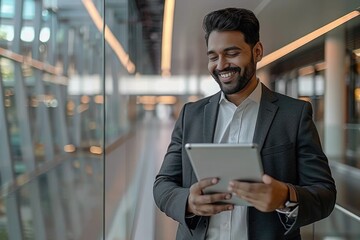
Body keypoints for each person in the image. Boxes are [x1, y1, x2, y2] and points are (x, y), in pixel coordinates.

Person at [153, 7, 336, 240]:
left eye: (231, 53)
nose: (220, 65)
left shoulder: (294, 114)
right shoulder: (191, 115)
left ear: (257, 51)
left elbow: (325, 194)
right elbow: (163, 185)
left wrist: (286, 197)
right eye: (213, 56)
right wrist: (188, 202)